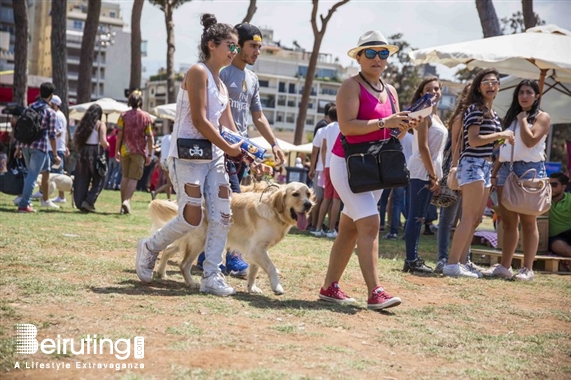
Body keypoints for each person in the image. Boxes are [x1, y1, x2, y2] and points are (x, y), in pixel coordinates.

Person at [136, 13, 243, 296]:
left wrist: (252, 151)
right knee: (191, 217)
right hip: (187, 156)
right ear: (212, 44)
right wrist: (229, 146)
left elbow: (230, 127)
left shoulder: (222, 85)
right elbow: (199, 120)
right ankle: (150, 247)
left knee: (222, 215)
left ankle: (211, 275)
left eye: (236, 47)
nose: (235, 51)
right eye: (230, 46)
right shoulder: (198, 72)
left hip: (214, 158)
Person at [319, 30, 418, 310]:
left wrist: (405, 126)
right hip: (348, 164)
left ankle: (329, 287)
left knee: (350, 229)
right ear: (359, 57)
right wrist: (386, 121)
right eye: (371, 53)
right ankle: (375, 292)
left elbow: (392, 135)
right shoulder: (350, 86)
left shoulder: (391, 91)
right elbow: (348, 127)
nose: (377, 58)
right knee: (371, 223)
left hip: (375, 166)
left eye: (383, 53)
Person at [196, 22, 286, 277]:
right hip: (219, 148)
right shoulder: (221, 72)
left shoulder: (252, 78)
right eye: (252, 46)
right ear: (238, 46)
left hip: (241, 151)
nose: (257, 51)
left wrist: (274, 143)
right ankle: (216, 257)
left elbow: (258, 117)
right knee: (229, 201)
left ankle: (219, 257)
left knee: (230, 202)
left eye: (259, 47)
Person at [443, 68, 514, 278]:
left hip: (485, 165)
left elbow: (489, 143)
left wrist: (503, 138)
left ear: (499, 87)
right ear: (478, 87)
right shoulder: (475, 109)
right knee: (468, 217)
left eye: (494, 82)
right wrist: (501, 134)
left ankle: (463, 262)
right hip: (473, 164)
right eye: (486, 82)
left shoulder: (492, 114)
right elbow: (473, 141)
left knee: (474, 219)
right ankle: (452, 264)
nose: (491, 85)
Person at [483, 79, 551, 281]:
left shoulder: (542, 117)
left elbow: (530, 141)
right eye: (521, 92)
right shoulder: (510, 117)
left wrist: (523, 119)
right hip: (506, 169)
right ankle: (505, 266)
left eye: (529, 92)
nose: (524, 96)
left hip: (530, 170)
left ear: (537, 96)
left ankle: (527, 268)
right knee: (508, 221)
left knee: (529, 221)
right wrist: (495, 172)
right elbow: (503, 148)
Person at [403, 77, 448, 274]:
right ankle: (411, 259)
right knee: (416, 217)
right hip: (421, 170)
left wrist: (436, 175)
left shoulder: (437, 117)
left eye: (436, 89)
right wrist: (433, 176)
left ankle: (412, 259)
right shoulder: (423, 115)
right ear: (422, 94)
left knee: (420, 217)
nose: (433, 92)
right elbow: (423, 147)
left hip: (431, 171)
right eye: (428, 89)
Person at [434, 82, 471, 274]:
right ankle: (442, 258)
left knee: (468, 218)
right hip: (457, 169)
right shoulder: (461, 117)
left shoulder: (479, 115)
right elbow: (455, 146)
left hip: (472, 171)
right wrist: (455, 171)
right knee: (448, 218)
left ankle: (465, 258)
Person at [14, 82, 61, 212]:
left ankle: (38, 200)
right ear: (51, 96)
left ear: (40, 93)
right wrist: (56, 155)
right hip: (39, 147)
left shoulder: (29, 107)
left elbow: (21, 128)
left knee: (37, 171)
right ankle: (24, 204)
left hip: (25, 146)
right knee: (32, 176)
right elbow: (52, 136)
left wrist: (18, 148)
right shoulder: (50, 112)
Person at [115, 91, 154, 214]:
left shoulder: (123, 116)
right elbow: (150, 137)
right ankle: (127, 201)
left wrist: (117, 151)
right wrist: (149, 154)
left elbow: (119, 135)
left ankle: (123, 205)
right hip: (138, 151)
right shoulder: (146, 117)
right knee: (133, 177)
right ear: (140, 102)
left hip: (125, 150)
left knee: (125, 177)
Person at [73, 104, 110, 212]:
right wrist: (108, 145)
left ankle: (80, 202)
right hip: (95, 153)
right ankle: (89, 201)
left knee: (82, 178)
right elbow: (103, 142)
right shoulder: (100, 124)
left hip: (82, 152)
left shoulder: (83, 124)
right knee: (100, 178)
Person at [311, 106, 340, 238]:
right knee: (336, 200)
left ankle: (317, 228)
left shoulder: (326, 128)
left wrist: (324, 164)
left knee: (326, 199)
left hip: (327, 165)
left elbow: (323, 149)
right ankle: (331, 229)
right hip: (340, 164)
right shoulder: (343, 127)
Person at [48, 95, 69, 203]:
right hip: (58, 147)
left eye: (50, 103)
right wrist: (65, 146)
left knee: (57, 174)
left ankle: (61, 196)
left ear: (55, 104)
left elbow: (60, 132)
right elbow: (65, 132)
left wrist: (49, 137)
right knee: (56, 173)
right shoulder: (61, 115)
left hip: (55, 148)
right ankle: (60, 196)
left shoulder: (57, 115)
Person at [547, 172, 571, 257]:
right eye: (548, 184)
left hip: (569, 233)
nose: (550, 187)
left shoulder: (569, 199)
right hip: (555, 238)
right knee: (558, 246)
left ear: (563, 187)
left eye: (554, 185)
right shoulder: (543, 200)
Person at [152, 129, 172, 200]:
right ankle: (156, 192)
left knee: (168, 181)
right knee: (171, 183)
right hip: (169, 161)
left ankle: (169, 198)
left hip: (163, 160)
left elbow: (162, 149)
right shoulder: (173, 137)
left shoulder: (164, 138)